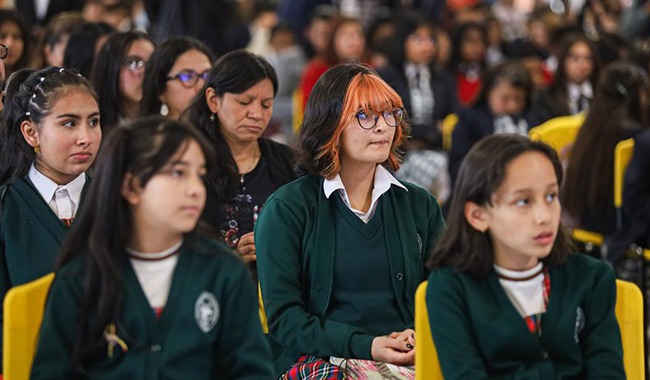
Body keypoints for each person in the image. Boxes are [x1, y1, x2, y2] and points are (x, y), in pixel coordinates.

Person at [30, 116, 274, 378]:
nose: (195, 189)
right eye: (178, 173)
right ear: (132, 186)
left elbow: (252, 371)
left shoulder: (224, 271)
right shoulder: (82, 277)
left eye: (200, 174)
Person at [255, 63, 446, 378]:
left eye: (390, 114)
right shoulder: (287, 209)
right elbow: (285, 320)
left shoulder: (418, 204)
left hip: (407, 357)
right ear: (330, 125)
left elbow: (444, 293)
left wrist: (415, 334)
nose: (383, 127)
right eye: (365, 116)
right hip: (319, 359)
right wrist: (369, 345)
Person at [426, 134, 624, 379]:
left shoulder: (592, 277)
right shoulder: (450, 287)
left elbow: (608, 372)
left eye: (551, 196)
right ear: (478, 215)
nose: (544, 216)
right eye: (523, 201)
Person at [0, 67, 101, 373]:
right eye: (69, 123)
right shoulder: (6, 209)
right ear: (31, 132)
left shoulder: (122, 202)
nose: (85, 137)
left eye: (93, 122)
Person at [184, 50, 296, 280]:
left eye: (266, 105)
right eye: (244, 102)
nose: (256, 114)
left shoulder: (288, 162)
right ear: (213, 100)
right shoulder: (189, 162)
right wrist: (232, 257)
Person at [562, 62, 649, 236]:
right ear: (639, 95)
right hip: (620, 230)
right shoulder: (638, 137)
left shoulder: (588, 128)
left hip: (584, 223)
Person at [449, 61, 536, 185]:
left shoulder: (533, 119)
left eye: (518, 99)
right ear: (488, 93)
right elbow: (457, 166)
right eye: (505, 98)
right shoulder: (469, 118)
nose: (512, 106)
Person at [92, 31, 155, 134]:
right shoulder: (94, 125)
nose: (145, 72)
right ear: (111, 67)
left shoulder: (165, 124)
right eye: (133, 62)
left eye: (152, 63)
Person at [140, 36, 214, 120]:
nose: (201, 86)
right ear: (160, 90)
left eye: (207, 75)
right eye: (188, 77)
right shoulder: (145, 132)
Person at [531, 34, 600, 123]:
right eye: (575, 58)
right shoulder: (547, 96)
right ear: (563, 60)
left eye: (588, 59)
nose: (583, 64)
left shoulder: (601, 93)